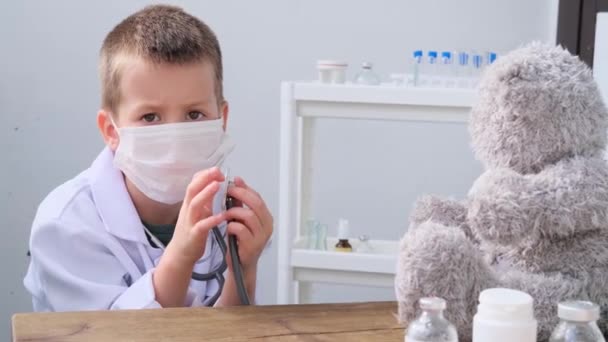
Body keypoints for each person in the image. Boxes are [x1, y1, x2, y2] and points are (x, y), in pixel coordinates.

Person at [23, 4, 273, 311]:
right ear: (111, 130)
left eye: (194, 114)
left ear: (222, 119)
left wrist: (244, 270)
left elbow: (227, 329)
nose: (175, 139)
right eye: (150, 117)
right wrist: (180, 255)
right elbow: (115, 334)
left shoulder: (225, 210)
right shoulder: (65, 226)